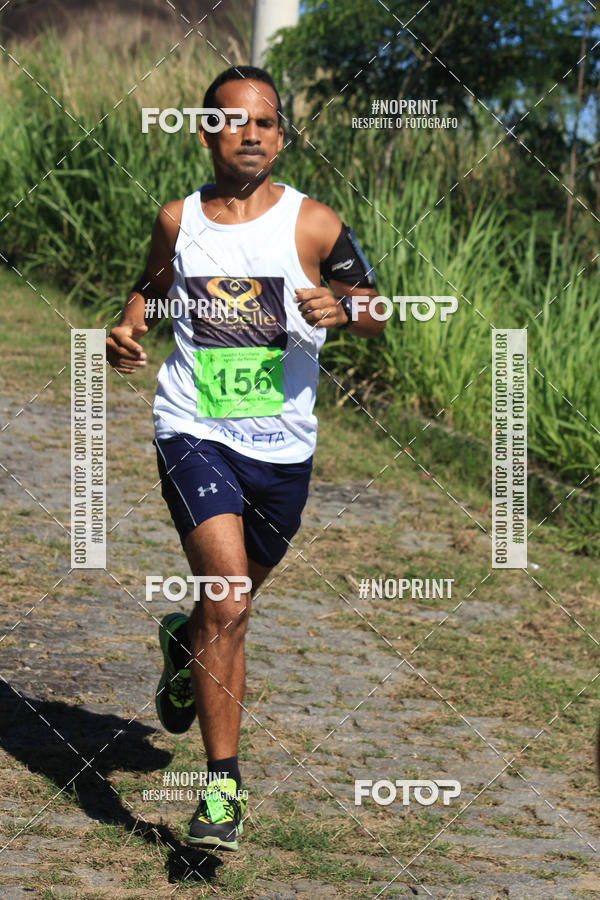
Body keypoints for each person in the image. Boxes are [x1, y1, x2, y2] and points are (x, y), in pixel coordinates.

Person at [106, 65, 384, 851]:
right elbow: (149, 290)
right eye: (235, 121)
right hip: (193, 428)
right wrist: (125, 329)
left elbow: (376, 310)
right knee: (228, 600)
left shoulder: (314, 225)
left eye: (266, 123)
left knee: (225, 612)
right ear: (206, 133)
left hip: (283, 453)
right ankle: (222, 790)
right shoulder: (178, 219)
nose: (252, 134)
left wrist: (346, 307)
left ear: (282, 137)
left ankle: (181, 642)